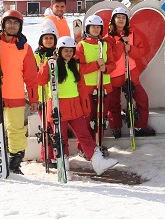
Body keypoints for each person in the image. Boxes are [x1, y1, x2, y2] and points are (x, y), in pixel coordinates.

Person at [36, 36, 118, 175]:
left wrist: (85, 107)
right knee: (61, 138)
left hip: (75, 106)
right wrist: (45, 65)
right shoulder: (53, 64)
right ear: (59, 51)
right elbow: (40, 80)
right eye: (65, 50)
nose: (68, 53)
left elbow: (81, 87)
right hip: (58, 105)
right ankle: (64, 165)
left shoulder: (75, 65)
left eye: (70, 51)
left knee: (84, 135)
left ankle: (98, 162)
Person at [0, 10, 40, 175]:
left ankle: (14, 162)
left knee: (15, 129)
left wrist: (34, 99)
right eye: (9, 22)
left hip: (15, 93)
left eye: (16, 23)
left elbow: (31, 76)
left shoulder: (25, 48)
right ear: (3, 24)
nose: (12, 25)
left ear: (20, 26)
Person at [106, 7, 156, 139]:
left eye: (123, 17)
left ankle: (140, 125)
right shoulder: (108, 38)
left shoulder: (132, 35)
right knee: (114, 103)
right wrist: (121, 45)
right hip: (115, 75)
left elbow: (141, 51)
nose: (121, 20)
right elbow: (111, 56)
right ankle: (116, 127)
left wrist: (130, 48)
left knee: (142, 99)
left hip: (131, 72)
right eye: (118, 17)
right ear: (113, 19)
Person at [76, 14, 116, 150]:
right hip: (88, 88)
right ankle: (85, 147)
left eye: (98, 27)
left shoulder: (105, 45)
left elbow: (112, 63)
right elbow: (78, 68)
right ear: (87, 28)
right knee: (88, 119)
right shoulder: (81, 46)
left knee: (101, 119)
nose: (96, 29)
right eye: (93, 27)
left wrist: (106, 67)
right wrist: (95, 65)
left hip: (104, 87)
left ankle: (98, 143)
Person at [34, 22, 59, 168]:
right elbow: (33, 75)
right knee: (46, 128)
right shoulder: (37, 55)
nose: (49, 41)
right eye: (46, 38)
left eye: (51, 38)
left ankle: (57, 156)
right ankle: (46, 157)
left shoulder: (59, 54)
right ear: (41, 40)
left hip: (55, 96)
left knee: (55, 127)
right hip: (42, 96)